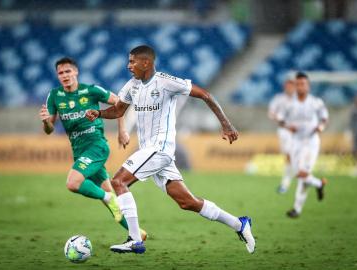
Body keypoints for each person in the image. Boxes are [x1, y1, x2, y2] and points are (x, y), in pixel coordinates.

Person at [86, 45, 255, 254]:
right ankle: (240, 224)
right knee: (188, 203)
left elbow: (206, 95)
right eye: (128, 61)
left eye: (132, 61)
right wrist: (99, 113)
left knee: (118, 181)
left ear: (146, 63)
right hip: (151, 151)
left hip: (160, 149)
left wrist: (226, 124)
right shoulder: (132, 86)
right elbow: (118, 109)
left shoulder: (166, 82)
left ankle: (135, 239)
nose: (128, 66)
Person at [39, 57, 146, 239]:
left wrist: (123, 131)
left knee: (73, 183)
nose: (64, 75)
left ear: (76, 72)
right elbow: (49, 130)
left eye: (67, 71)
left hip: (97, 147)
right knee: (112, 201)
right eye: (60, 73)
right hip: (79, 151)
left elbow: (119, 103)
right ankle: (137, 234)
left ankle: (106, 197)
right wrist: (46, 122)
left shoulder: (91, 90)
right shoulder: (55, 96)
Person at [277, 72, 328, 218]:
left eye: (303, 84)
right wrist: (287, 126)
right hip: (296, 143)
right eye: (298, 84)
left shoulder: (316, 102)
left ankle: (297, 209)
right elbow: (280, 119)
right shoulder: (289, 104)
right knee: (300, 175)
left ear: (308, 86)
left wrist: (320, 128)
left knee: (303, 174)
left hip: (311, 142)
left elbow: (324, 118)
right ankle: (319, 184)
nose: (300, 86)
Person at [268, 79, 295, 194]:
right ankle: (287, 181)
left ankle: (286, 182)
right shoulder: (279, 99)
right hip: (284, 131)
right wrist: (279, 119)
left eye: (291, 86)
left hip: (298, 132)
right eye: (287, 86)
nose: (289, 88)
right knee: (289, 156)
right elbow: (271, 113)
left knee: (294, 156)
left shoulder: (300, 99)